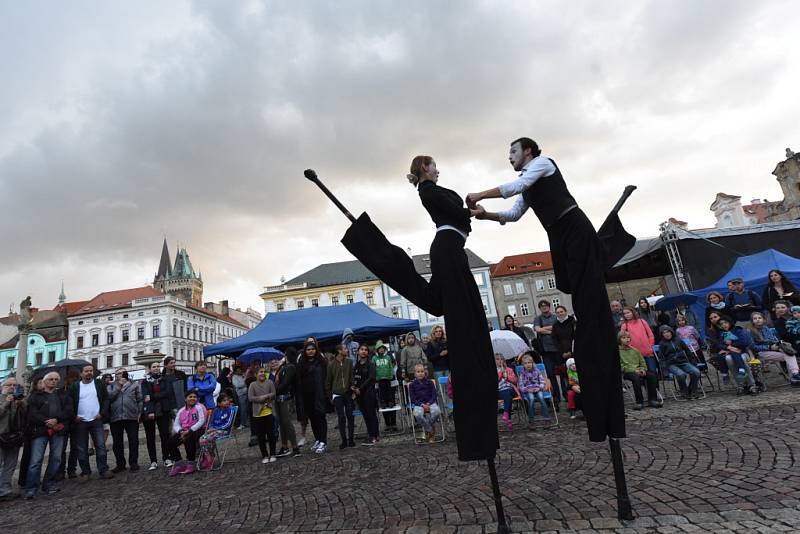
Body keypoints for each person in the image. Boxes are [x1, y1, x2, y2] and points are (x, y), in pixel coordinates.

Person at [466, 137, 633, 445]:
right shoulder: (529, 184)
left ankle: (598, 341)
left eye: (513, 152)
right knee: (570, 287)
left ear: (528, 151)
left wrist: (480, 194)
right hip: (556, 234)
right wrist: (485, 215)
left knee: (587, 287)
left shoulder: (542, 165)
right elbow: (515, 212)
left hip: (573, 225)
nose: (510, 157)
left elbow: (513, 189)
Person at [24, 372, 73, 499]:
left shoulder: (63, 394)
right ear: (44, 381)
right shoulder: (35, 396)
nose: (53, 381)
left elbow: (69, 410)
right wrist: (47, 421)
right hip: (40, 431)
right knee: (36, 460)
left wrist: (56, 419)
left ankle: (49, 483)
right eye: (51, 379)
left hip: (59, 430)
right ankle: (31, 488)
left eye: (56, 379)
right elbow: (32, 414)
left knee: (56, 458)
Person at [69, 364, 113, 481]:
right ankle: (85, 471)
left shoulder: (99, 384)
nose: (89, 373)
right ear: (81, 374)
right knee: (82, 448)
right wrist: (74, 416)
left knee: (100, 446)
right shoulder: (75, 386)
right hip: (81, 421)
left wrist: (102, 413)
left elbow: (106, 399)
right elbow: (70, 402)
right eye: (86, 371)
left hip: (96, 420)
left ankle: (103, 469)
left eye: (90, 371)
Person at [748, 311, 800, 383]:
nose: (757, 320)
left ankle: (795, 375)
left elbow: (773, 340)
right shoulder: (749, 331)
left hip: (774, 349)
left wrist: (781, 343)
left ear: (764, 320)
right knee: (789, 355)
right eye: (755, 318)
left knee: (789, 353)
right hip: (761, 353)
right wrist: (769, 347)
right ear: (752, 321)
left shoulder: (766, 328)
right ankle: (795, 376)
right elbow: (753, 347)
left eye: (759, 318)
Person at [107, 368, 142, 473]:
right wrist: (119, 386)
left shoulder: (134, 384)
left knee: (133, 440)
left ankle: (133, 462)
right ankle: (120, 464)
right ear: (115, 375)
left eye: (123, 373)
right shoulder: (111, 386)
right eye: (118, 373)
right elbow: (109, 398)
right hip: (115, 417)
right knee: (117, 442)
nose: (121, 375)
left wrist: (139, 413)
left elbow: (140, 399)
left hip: (131, 416)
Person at [296, 341, 328, 454]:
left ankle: (324, 441)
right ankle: (318, 439)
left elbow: (325, 378)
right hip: (306, 395)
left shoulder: (321, 362)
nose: (310, 351)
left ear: (316, 350)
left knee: (320, 417)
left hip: (319, 394)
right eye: (308, 349)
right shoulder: (302, 363)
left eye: (312, 349)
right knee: (313, 419)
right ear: (305, 351)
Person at [141, 361, 173, 470]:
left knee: (165, 435)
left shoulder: (165, 379)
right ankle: (153, 461)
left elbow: (168, 393)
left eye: (158, 366)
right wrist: (150, 409)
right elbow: (145, 397)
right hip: (149, 411)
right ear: (150, 368)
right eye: (154, 366)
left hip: (163, 410)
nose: (156, 368)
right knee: (150, 437)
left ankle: (166, 458)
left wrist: (153, 396)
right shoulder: (145, 381)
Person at [716, 316, 758, 394]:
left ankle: (751, 384)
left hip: (743, 352)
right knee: (728, 359)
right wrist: (729, 347)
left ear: (730, 322)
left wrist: (732, 345)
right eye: (721, 324)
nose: (724, 325)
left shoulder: (737, 330)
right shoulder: (721, 333)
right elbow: (719, 344)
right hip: (730, 352)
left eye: (725, 322)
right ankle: (740, 384)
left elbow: (744, 342)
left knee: (742, 359)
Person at [167, 390, 205, 476]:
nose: (192, 398)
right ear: (185, 399)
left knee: (189, 438)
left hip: (197, 430)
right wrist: (181, 431)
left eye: (194, 397)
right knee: (171, 442)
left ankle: (191, 462)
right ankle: (179, 463)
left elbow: (201, 420)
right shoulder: (181, 411)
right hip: (183, 431)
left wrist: (190, 430)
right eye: (190, 397)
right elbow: (176, 424)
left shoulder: (199, 407)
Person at [618, 331, 660, 409]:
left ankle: (652, 399)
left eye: (628, 337)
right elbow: (621, 365)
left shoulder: (635, 350)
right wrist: (634, 370)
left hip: (639, 370)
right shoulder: (618, 351)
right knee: (636, 378)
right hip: (627, 372)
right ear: (619, 339)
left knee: (652, 375)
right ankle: (639, 402)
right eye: (624, 338)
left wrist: (643, 369)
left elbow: (642, 361)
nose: (627, 339)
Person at [658, 326, 702, 399]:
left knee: (696, 372)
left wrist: (693, 362)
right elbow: (661, 359)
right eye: (664, 333)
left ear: (671, 332)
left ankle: (692, 390)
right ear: (662, 335)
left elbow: (688, 351)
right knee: (681, 374)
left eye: (668, 332)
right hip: (671, 364)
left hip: (683, 362)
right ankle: (684, 392)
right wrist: (664, 371)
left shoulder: (678, 340)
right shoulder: (662, 344)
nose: (666, 334)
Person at [533, 300, 562, 410]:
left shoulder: (555, 317)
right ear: (540, 308)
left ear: (549, 307)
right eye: (542, 306)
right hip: (546, 351)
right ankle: (556, 398)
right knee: (550, 375)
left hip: (557, 349)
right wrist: (551, 329)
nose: (544, 307)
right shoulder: (538, 318)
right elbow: (537, 329)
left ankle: (565, 395)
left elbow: (558, 327)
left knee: (562, 373)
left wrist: (544, 329)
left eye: (546, 306)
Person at [0, 376, 25, 501]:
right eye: (8, 385)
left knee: (10, 465)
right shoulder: (2, 399)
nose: (11, 387)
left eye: (14, 385)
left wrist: (21, 405)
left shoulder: (18, 401)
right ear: (2, 387)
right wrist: (6, 402)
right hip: (1, 436)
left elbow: (25, 417)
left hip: (14, 437)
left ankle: (5, 490)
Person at [197, 392, 235, 470]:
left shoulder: (230, 410)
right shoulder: (215, 411)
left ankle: (210, 458)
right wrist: (210, 429)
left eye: (227, 400)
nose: (227, 402)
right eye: (224, 400)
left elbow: (228, 424)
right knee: (202, 439)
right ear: (219, 403)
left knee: (208, 438)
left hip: (224, 430)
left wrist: (217, 429)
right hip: (214, 431)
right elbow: (211, 422)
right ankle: (209, 457)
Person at [327, 343, 355, 449]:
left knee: (350, 416)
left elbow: (351, 377)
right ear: (339, 351)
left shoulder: (349, 362)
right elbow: (328, 382)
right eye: (345, 349)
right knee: (341, 417)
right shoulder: (331, 364)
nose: (347, 350)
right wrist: (330, 397)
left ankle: (351, 439)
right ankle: (344, 440)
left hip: (348, 393)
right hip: (337, 394)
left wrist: (353, 388)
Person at [273, 353, 300, 458]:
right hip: (277, 399)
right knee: (282, 424)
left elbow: (285, 383)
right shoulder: (281, 368)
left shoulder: (289, 367)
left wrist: (274, 391)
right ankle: (284, 447)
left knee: (287, 423)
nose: (273, 362)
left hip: (285, 398)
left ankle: (295, 447)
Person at [353, 343, 380, 445]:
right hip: (359, 395)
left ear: (368, 352)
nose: (363, 351)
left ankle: (374, 435)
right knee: (365, 415)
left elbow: (371, 378)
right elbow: (355, 378)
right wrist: (354, 388)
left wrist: (360, 388)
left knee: (371, 415)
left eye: (365, 350)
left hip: (369, 393)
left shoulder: (371, 364)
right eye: (361, 349)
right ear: (358, 351)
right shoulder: (356, 365)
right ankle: (371, 434)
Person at [249, 367, 277, 463]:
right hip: (258, 414)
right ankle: (264, 455)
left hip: (269, 411)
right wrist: (260, 398)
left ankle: (273, 453)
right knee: (261, 436)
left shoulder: (269, 382)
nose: (262, 374)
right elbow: (250, 397)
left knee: (271, 434)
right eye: (260, 372)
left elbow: (273, 393)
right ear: (256, 374)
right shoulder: (252, 385)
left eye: (264, 372)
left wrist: (267, 396)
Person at [408, 364, 440, 442]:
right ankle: (430, 430)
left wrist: (429, 403)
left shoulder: (430, 382)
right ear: (415, 374)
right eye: (418, 372)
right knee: (417, 414)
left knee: (437, 412)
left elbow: (434, 395)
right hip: (419, 404)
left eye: (422, 371)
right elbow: (413, 398)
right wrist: (422, 405)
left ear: (425, 372)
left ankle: (426, 431)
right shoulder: (412, 385)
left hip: (430, 402)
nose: (420, 373)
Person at [619, 307, 657, 373]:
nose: (626, 315)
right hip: (635, 354)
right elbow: (623, 339)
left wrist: (650, 346)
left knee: (652, 372)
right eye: (624, 313)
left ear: (633, 312)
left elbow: (650, 335)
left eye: (628, 312)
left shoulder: (642, 321)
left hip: (648, 352)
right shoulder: (624, 325)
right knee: (641, 375)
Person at [517, 354, 550, 426]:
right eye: (525, 363)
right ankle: (531, 420)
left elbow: (542, 381)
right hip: (528, 389)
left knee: (541, 398)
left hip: (537, 388)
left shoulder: (537, 371)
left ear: (532, 363)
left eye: (529, 362)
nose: (528, 365)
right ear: (523, 365)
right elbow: (521, 385)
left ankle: (547, 418)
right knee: (531, 399)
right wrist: (526, 390)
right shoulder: (522, 373)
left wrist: (540, 388)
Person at [551, 304, 575, 402]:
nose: (560, 314)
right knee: (564, 375)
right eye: (558, 312)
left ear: (565, 311)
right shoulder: (555, 325)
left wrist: (571, 352)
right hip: (561, 353)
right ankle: (567, 396)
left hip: (573, 350)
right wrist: (562, 353)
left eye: (561, 311)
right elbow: (555, 340)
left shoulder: (572, 321)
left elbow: (575, 336)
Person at [373, 340, 398, 431]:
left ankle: (394, 423)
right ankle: (387, 424)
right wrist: (375, 377)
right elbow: (373, 368)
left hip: (389, 379)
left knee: (391, 397)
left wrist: (391, 375)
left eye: (383, 348)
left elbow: (392, 366)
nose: (381, 350)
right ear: (377, 349)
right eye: (379, 348)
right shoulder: (374, 358)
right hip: (379, 380)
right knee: (382, 395)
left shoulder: (388, 357)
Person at [495, 354, 518, 431]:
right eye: (497, 359)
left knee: (508, 392)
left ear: (504, 361)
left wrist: (507, 376)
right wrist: (500, 374)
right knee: (508, 396)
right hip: (499, 391)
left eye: (501, 359)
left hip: (511, 389)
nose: (500, 361)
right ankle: (508, 419)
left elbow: (515, 381)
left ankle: (506, 413)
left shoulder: (509, 369)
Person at [231, 364, 249, 429]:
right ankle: (242, 423)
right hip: (241, 394)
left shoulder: (243, 375)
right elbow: (238, 385)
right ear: (235, 371)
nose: (239, 371)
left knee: (247, 409)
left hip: (247, 393)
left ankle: (246, 422)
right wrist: (245, 381)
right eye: (238, 370)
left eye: (240, 370)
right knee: (243, 409)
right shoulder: (234, 377)